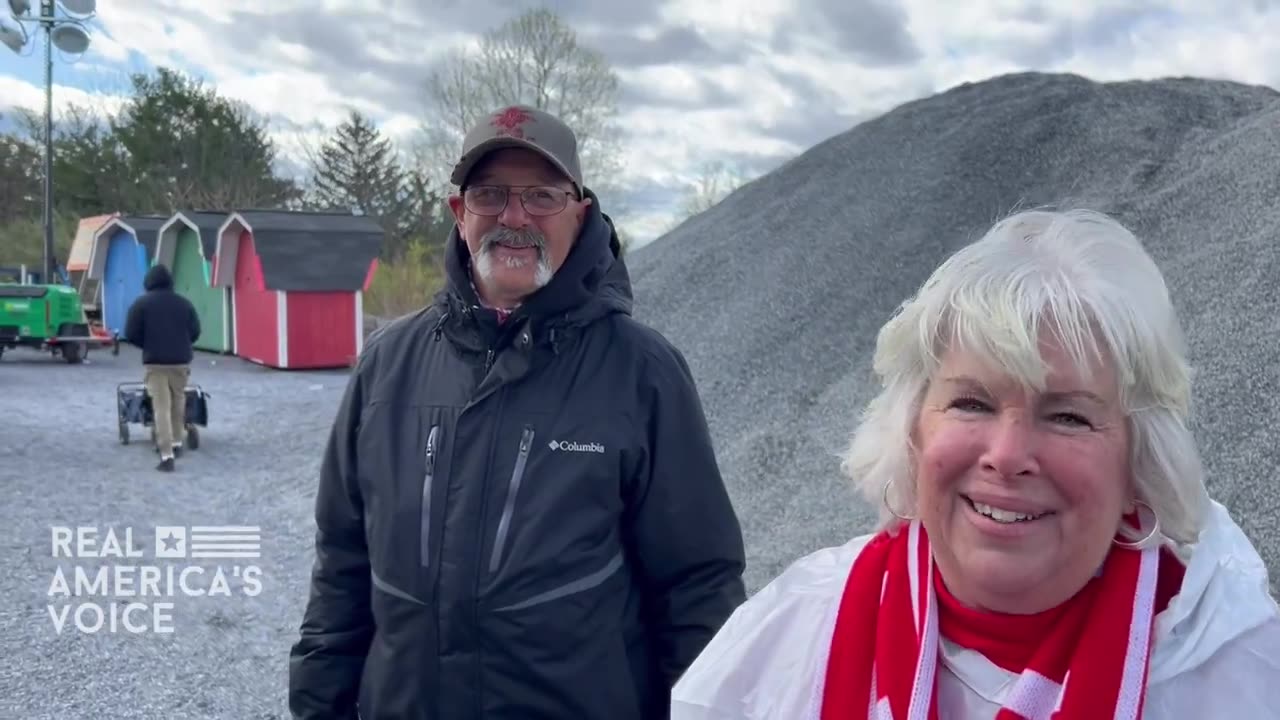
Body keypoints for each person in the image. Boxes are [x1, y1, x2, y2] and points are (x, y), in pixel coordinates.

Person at [670, 208, 1280, 719]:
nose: (1008, 456)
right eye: (971, 403)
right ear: (911, 428)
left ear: (1139, 461)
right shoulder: (793, 629)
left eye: (1068, 416)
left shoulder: (1234, 670)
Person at [288, 104, 747, 720]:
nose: (514, 217)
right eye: (490, 194)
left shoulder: (643, 373)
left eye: (541, 196)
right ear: (459, 212)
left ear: (580, 212)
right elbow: (341, 566)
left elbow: (698, 586)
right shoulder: (388, 365)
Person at [123, 263, 201, 472]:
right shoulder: (184, 304)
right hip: (180, 362)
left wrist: (147, 344)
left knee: (161, 407)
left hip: (155, 362)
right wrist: (182, 344)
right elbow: (195, 331)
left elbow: (130, 333)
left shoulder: (141, 304)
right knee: (178, 402)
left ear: (149, 282)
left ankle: (166, 455)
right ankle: (177, 441)